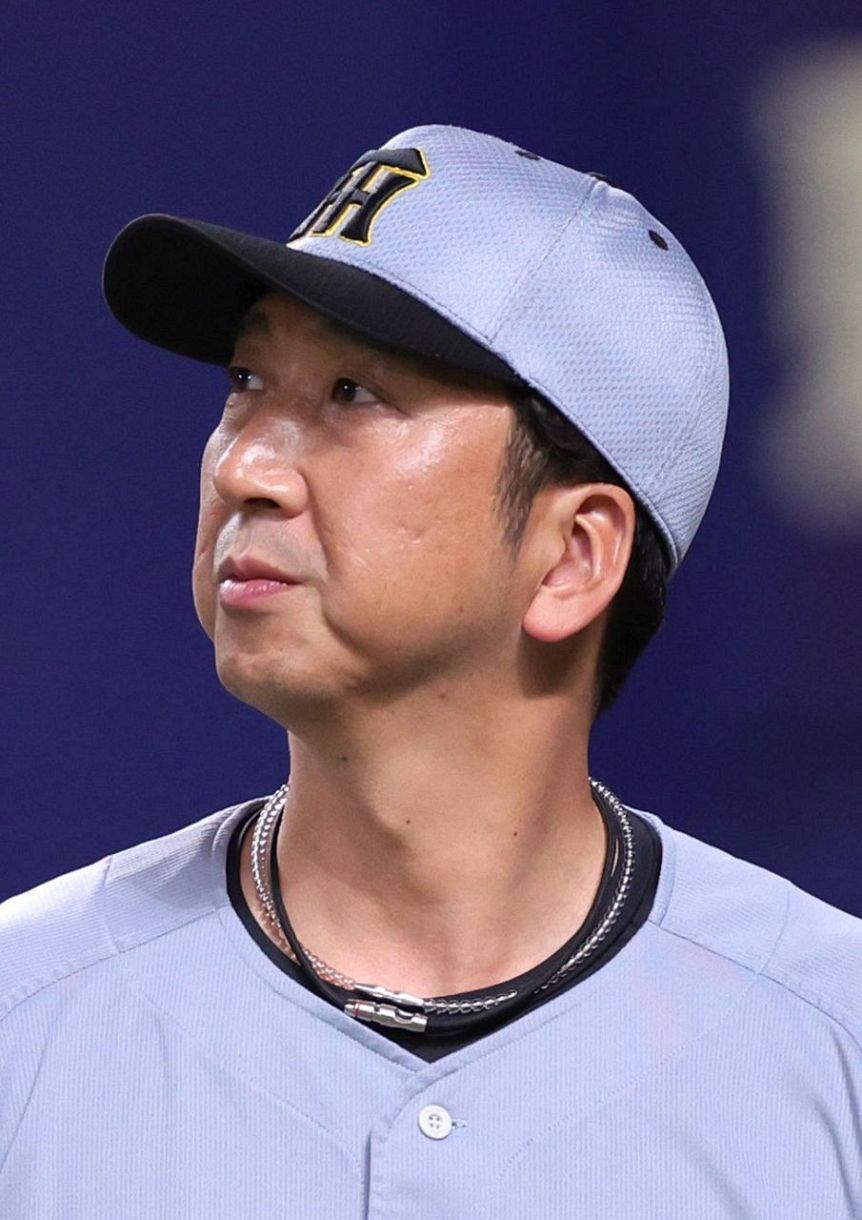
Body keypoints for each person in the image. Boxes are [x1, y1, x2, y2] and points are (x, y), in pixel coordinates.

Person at [1, 123, 860, 1218]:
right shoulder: (23, 1015)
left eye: (352, 391)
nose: (245, 464)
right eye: (247, 379)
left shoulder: (832, 1047)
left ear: (573, 555)